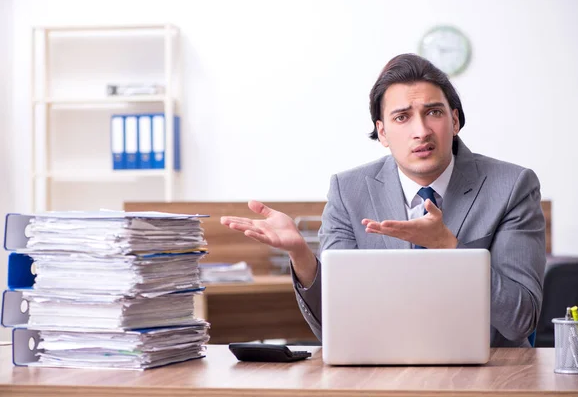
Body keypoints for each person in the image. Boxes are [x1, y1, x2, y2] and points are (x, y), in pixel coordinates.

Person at [221, 53, 546, 348]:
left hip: (490, 375)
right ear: (383, 133)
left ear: (455, 120)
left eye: (433, 112)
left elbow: (520, 320)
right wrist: (300, 255)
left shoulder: (512, 186)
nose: (421, 130)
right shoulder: (348, 191)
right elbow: (336, 324)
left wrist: (449, 247)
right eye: (402, 117)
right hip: (382, 372)